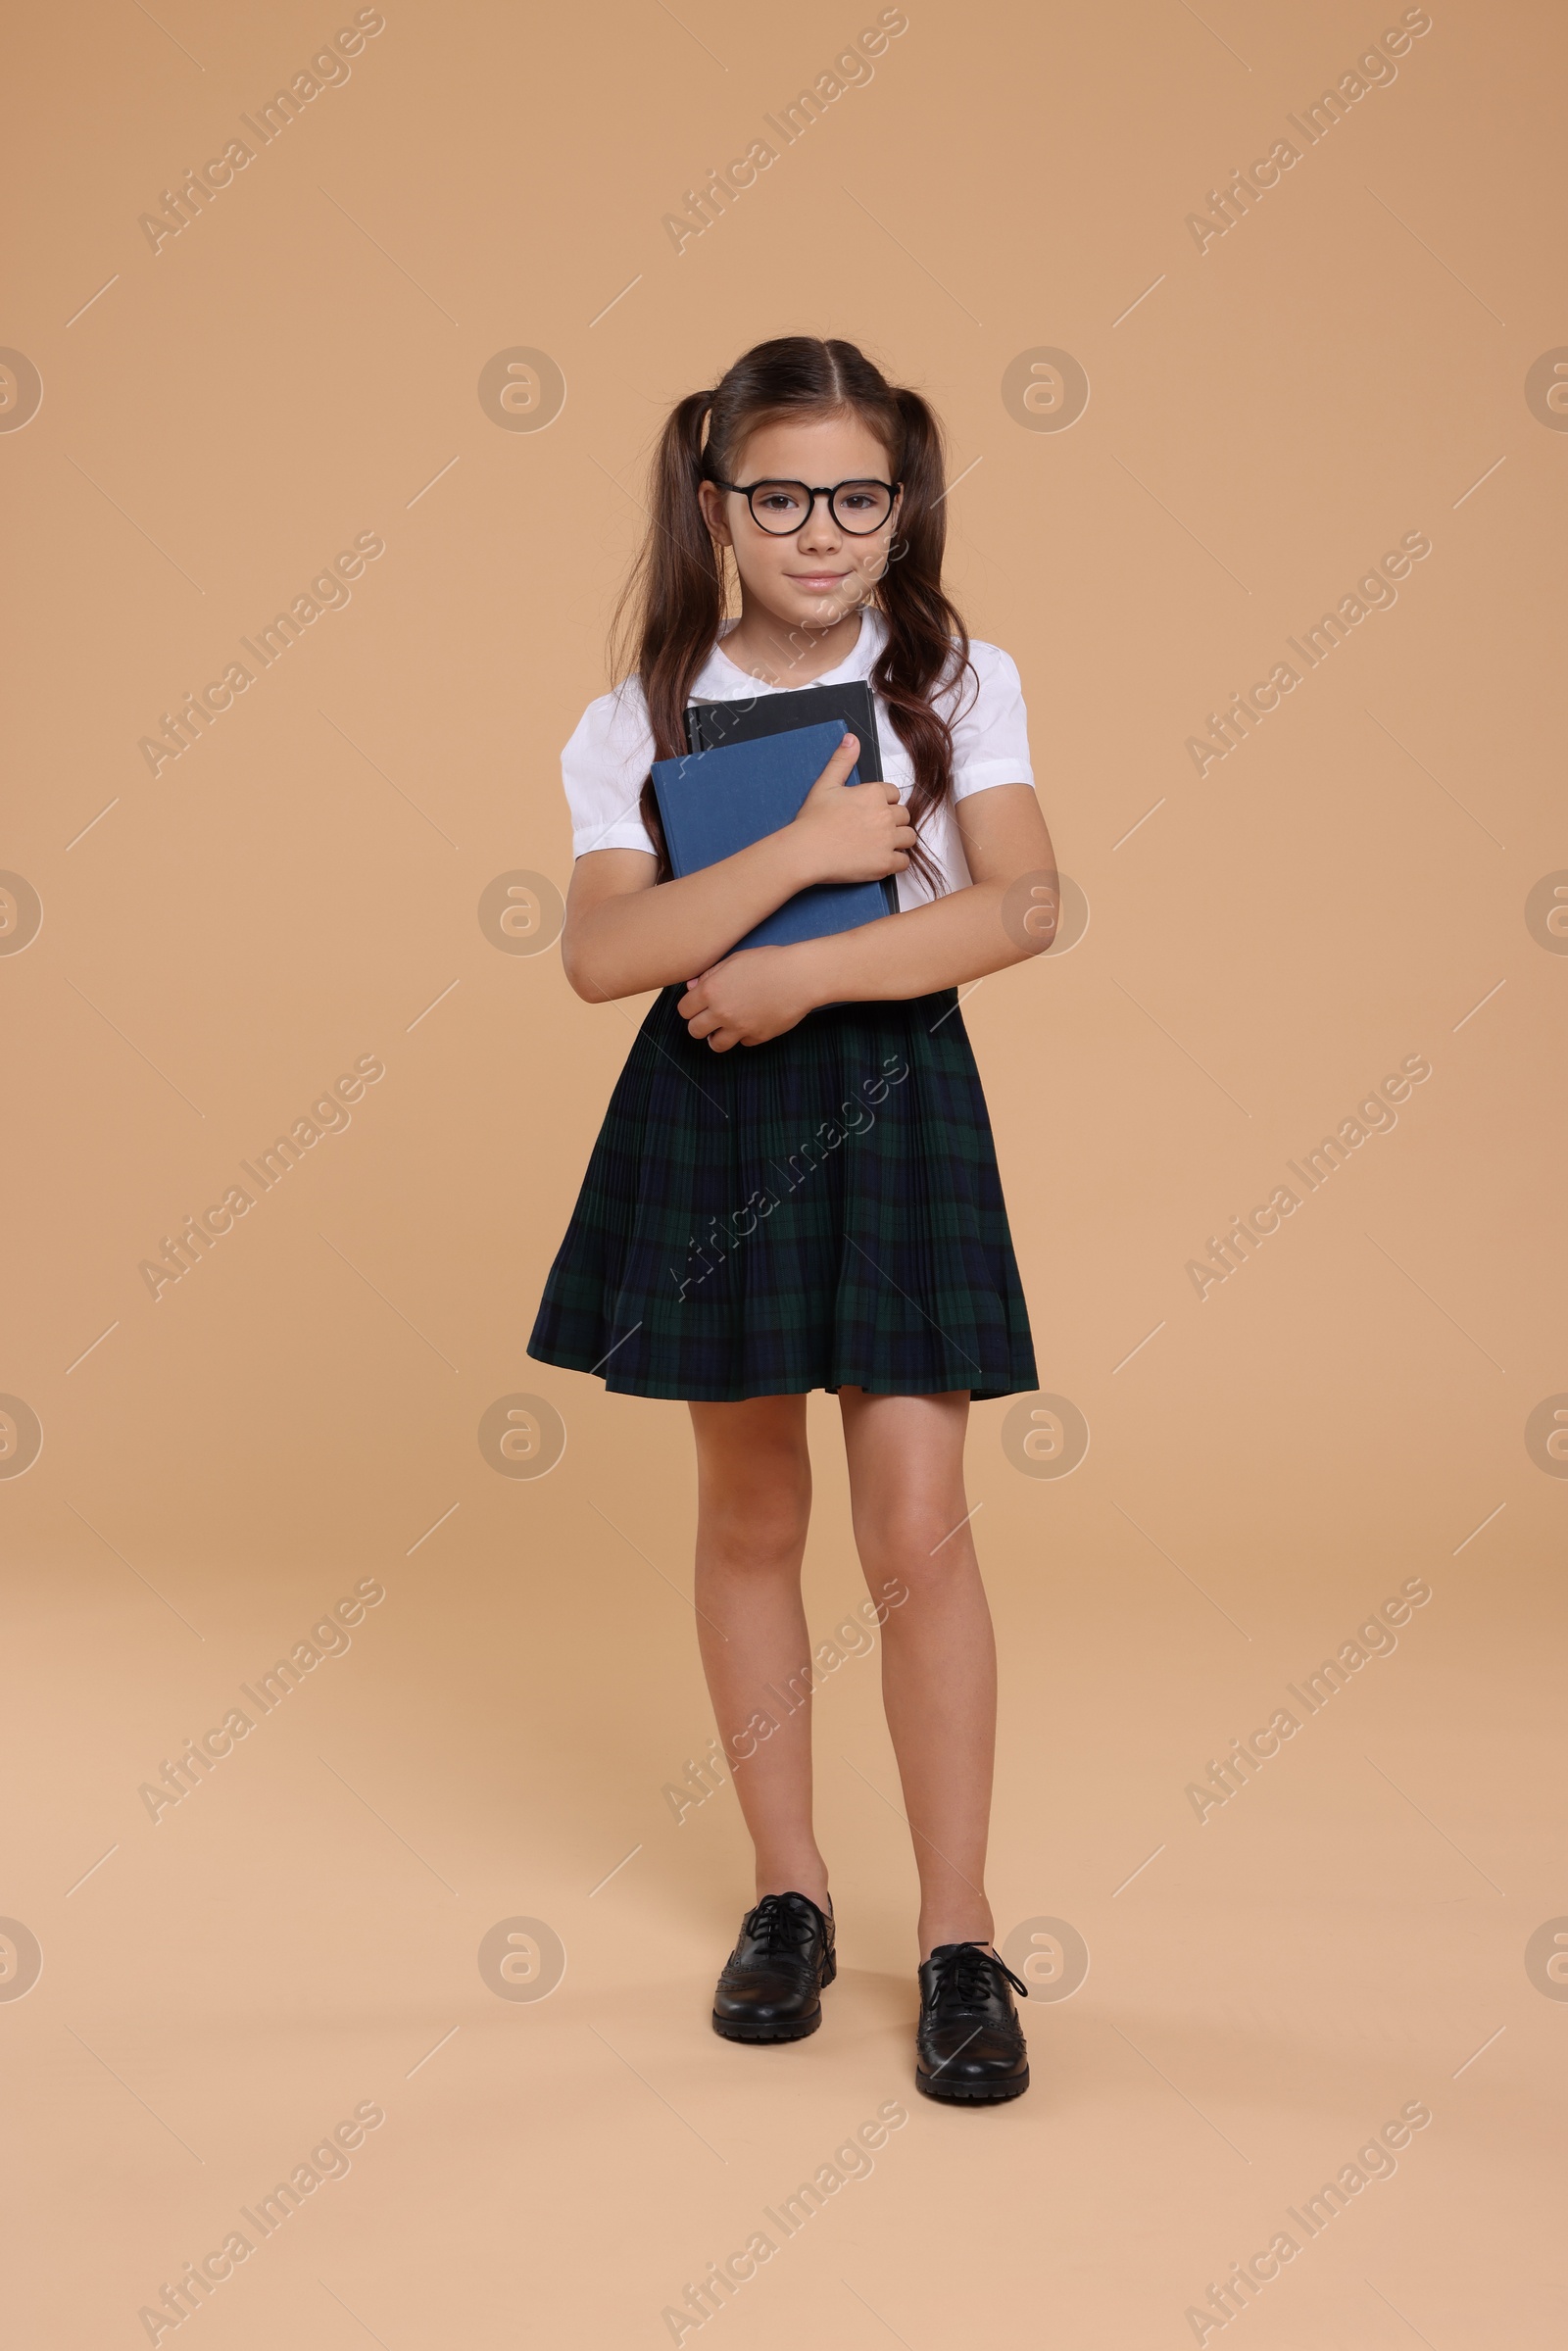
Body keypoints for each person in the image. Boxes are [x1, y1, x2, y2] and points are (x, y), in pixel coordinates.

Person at [528, 335, 1054, 2102]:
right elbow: (608, 955)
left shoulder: (958, 677)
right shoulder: (638, 718)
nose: (821, 532)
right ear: (717, 509)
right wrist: (799, 862)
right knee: (751, 1509)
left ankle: (965, 1933)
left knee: (917, 1528)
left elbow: (1023, 907)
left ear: (901, 508)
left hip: (892, 1099)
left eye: (858, 496)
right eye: (781, 498)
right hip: (714, 1099)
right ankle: (791, 1895)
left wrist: (802, 983)